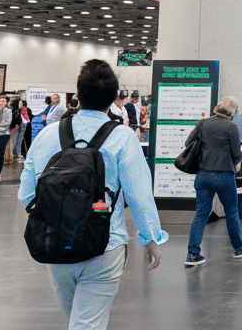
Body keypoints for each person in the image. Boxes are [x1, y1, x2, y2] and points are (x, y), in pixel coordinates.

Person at [20, 59, 165, 329]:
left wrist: (58, 214)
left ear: (77, 95)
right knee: (87, 324)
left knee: (76, 322)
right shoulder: (122, 137)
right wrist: (150, 238)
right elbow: (139, 195)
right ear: (113, 99)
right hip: (105, 245)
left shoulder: (50, 134)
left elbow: (27, 192)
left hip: (55, 245)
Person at [184, 96, 242, 267]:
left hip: (203, 176)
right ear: (233, 111)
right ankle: (238, 248)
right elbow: (236, 155)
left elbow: (188, 143)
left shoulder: (203, 123)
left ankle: (193, 254)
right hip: (223, 176)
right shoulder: (231, 127)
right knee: (231, 212)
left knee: (201, 214)